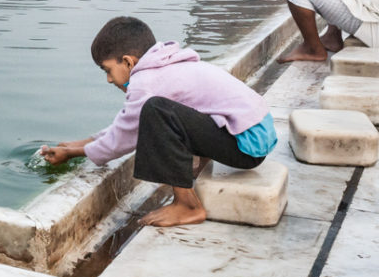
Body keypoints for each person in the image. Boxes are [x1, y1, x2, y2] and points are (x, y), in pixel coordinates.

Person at [39, 16, 276, 227]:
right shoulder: (166, 64)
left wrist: (74, 154)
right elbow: (123, 126)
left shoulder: (146, 82)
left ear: (128, 62)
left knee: (156, 111)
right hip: (254, 135)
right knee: (164, 111)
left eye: (108, 70)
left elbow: (122, 139)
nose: (109, 80)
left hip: (247, 147)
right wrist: (76, 144)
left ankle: (188, 206)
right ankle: (195, 171)